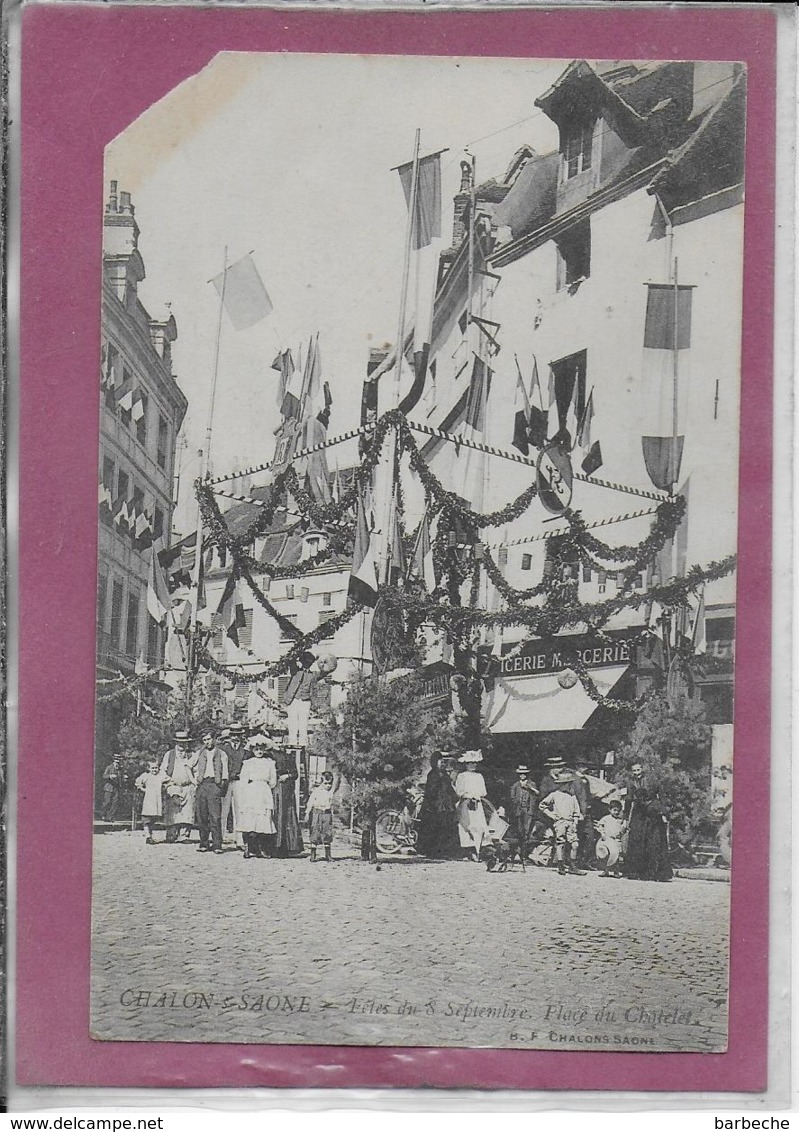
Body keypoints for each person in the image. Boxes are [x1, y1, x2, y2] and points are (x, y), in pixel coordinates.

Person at [623, 763, 672, 881]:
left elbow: (661, 796)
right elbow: (628, 800)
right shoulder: (630, 783)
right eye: (634, 771)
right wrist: (625, 818)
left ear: (643, 769)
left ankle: (655, 873)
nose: (636, 773)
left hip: (652, 813)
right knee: (637, 840)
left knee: (653, 843)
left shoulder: (652, 780)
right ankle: (635, 872)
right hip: (638, 813)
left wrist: (664, 812)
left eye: (638, 770)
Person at [237, 739, 278, 859]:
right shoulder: (248, 763)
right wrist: (245, 794)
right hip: (251, 791)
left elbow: (273, 781)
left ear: (264, 750)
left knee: (263, 819)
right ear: (252, 750)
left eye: (261, 749)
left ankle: (262, 849)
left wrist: (264, 785)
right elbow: (243, 780)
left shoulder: (270, 763)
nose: (259, 751)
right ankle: (249, 848)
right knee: (250, 819)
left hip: (264, 791)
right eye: (256, 749)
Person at [416, 751, 460, 859]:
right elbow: (431, 791)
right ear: (435, 762)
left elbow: (449, 788)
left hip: (446, 805)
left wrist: (454, 797)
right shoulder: (433, 774)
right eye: (440, 761)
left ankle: (446, 851)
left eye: (443, 762)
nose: (443, 764)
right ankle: (433, 852)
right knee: (435, 828)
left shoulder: (444, 774)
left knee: (447, 828)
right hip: (435, 805)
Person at [193, 730, 229, 854]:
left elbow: (225, 772)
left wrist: (221, 785)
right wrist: (194, 780)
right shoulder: (199, 753)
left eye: (209, 739)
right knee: (202, 815)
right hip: (202, 785)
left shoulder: (221, 753)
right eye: (204, 740)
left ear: (214, 739)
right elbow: (188, 765)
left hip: (215, 784)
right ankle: (203, 843)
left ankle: (217, 844)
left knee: (215, 816)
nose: (207, 742)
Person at [539, 784, 584, 875]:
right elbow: (542, 805)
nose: (566, 786)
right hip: (560, 822)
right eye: (564, 784)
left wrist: (575, 822)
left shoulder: (572, 796)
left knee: (575, 844)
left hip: (570, 822)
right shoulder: (555, 794)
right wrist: (551, 814)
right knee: (560, 843)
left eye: (568, 784)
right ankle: (560, 864)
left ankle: (573, 866)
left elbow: (576, 811)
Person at [160, 731, 197, 843]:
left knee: (187, 811)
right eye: (179, 743)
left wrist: (195, 783)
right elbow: (163, 770)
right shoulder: (169, 754)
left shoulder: (192, 755)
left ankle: (185, 835)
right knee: (172, 812)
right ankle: (171, 834)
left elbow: (196, 771)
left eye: (184, 743)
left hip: (187, 786)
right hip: (173, 785)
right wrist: (168, 782)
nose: (182, 745)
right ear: (175, 743)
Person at [454, 750, 490, 862]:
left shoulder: (479, 776)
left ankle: (478, 850)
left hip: (477, 804)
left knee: (479, 827)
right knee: (466, 826)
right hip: (466, 804)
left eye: (474, 763)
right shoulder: (461, 776)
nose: (473, 765)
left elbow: (484, 791)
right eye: (470, 763)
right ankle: (469, 851)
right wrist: (468, 796)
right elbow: (459, 791)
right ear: (466, 764)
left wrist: (477, 796)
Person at [272, 740, 304, 857]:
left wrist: (287, 776)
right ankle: (273, 846)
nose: (279, 744)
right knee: (275, 815)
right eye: (276, 741)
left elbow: (295, 774)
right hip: (273, 789)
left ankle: (287, 847)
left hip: (286, 790)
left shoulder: (289, 756)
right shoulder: (269, 755)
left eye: (281, 741)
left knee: (286, 816)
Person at [220, 723, 247, 848]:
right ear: (229, 736)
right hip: (225, 782)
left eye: (238, 735)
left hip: (239, 782)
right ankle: (219, 838)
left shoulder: (246, 750)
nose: (235, 738)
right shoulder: (222, 749)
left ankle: (240, 840)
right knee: (223, 810)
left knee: (239, 810)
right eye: (233, 735)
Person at [284, 651, 317, 749]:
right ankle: (293, 741)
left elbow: (325, 671)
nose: (308, 665)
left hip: (305, 701)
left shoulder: (313, 674)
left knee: (303, 722)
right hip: (293, 700)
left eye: (309, 663)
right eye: (306, 662)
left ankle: (303, 743)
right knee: (292, 722)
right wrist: (298, 652)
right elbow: (291, 661)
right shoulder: (295, 671)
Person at [507, 765, 540, 859]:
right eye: (520, 774)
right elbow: (512, 797)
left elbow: (537, 794)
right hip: (518, 810)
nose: (522, 775)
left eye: (524, 774)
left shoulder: (532, 784)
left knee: (527, 831)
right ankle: (518, 852)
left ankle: (524, 854)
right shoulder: (516, 785)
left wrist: (529, 788)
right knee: (519, 831)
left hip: (528, 810)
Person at [306, 771, 336, 862]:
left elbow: (331, 803)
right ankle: (313, 854)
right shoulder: (316, 791)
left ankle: (328, 855)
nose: (328, 786)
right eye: (325, 783)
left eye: (329, 784)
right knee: (315, 832)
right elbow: (310, 803)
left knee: (327, 833)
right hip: (317, 813)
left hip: (326, 813)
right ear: (321, 782)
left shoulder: (330, 793)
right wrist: (307, 813)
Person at [134, 760, 167, 844]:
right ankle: (147, 836)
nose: (154, 770)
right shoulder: (146, 776)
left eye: (156, 768)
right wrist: (143, 789)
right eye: (152, 768)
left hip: (156, 801)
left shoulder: (160, 776)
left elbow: (168, 780)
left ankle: (150, 835)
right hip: (148, 800)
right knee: (146, 819)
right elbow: (138, 782)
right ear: (149, 768)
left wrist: (164, 786)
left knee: (153, 819)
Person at [594, 798, 626, 877]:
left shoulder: (620, 820)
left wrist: (622, 830)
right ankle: (606, 870)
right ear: (610, 809)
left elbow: (623, 829)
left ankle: (616, 871)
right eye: (614, 810)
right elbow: (599, 826)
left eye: (618, 810)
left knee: (616, 855)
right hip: (607, 839)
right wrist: (602, 834)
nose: (616, 812)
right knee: (607, 855)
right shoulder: (606, 818)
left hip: (616, 840)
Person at [101, 755, 128, 821]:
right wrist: (110, 776)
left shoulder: (121, 769)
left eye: (119, 760)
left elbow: (122, 777)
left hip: (117, 788)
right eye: (116, 760)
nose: (117, 762)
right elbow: (104, 776)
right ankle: (103, 815)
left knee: (115, 803)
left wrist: (125, 778)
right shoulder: (109, 767)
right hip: (109, 787)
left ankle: (110, 817)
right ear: (114, 760)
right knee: (107, 802)